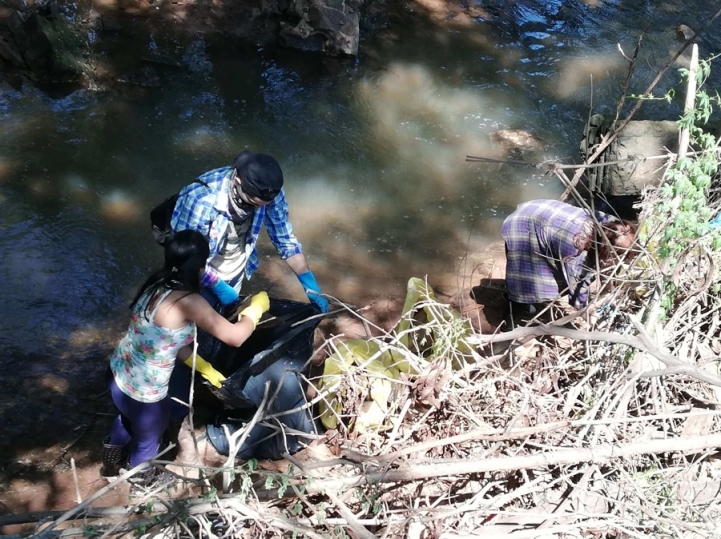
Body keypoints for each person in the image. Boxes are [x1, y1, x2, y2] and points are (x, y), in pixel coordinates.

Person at [100, 230, 271, 488]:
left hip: (120, 378)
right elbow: (236, 337)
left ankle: (110, 465)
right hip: (146, 396)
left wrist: (203, 366)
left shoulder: (156, 283)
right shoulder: (189, 301)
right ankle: (140, 487)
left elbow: (167, 341)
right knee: (147, 443)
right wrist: (255, 311)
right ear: (202, 265)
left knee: (125, 419)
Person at [170, 149, 328, 313]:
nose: (262, 208)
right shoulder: (201, 199)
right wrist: (217, 285)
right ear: (237, 181)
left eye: (265, 203)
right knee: (195, 321)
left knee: (225, 315)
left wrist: (311, 287)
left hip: (234, 270)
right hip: (197, 271)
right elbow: (187, 258)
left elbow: (285, 240)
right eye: (255, 203)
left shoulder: (270, 191)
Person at [501, 199, 635, 324]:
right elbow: (577, 297)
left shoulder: (615, 225)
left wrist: (609, 289)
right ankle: (512, 316)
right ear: (607, 253)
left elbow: (610, 268)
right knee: (522, 275)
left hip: (545, 212)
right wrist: (592, 319)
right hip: (523, 223)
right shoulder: (578, 255)